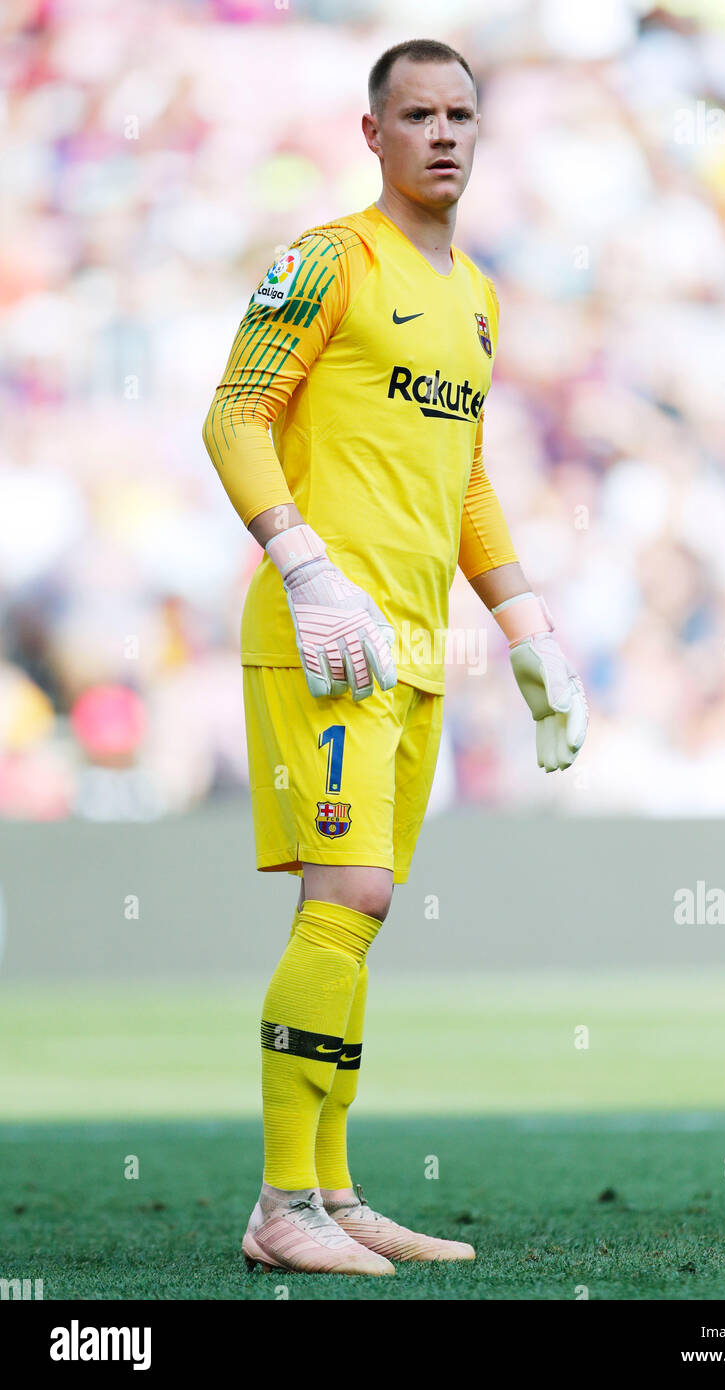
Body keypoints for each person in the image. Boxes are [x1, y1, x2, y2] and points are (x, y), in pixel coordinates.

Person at [203, 37, 588, 1278]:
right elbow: (234, 415)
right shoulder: (326, 260)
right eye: (414, 114)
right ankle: (278, 1205)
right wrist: (305, 568)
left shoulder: (475, 294)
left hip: (416, 650)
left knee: (357, 919)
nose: (441, 133)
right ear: (370, 133)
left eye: (460, 114)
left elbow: (464, 477)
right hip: (320, 639)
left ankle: (329, 1189)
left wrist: (526, 625)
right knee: (347, 897)